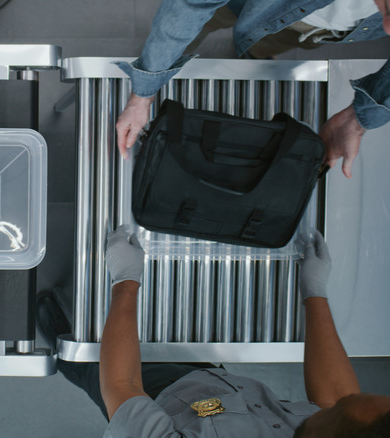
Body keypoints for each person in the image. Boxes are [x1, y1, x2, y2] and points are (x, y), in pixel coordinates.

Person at [77, 225, 390, 437]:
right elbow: (335, 400)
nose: (344, 399)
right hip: (213, 386)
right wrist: (315, 292)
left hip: (147, 389)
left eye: (347, 405)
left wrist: (125, 281)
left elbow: (123, 386)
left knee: (69, 338)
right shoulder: (335, 424)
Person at [115, 0, 390, 179]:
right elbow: (192, 5)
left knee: (267, 42)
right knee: (205, 20)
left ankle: (251, 51)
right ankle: (164, 57)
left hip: (317, 26)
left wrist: (358, 120)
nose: (388, 29)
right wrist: (144, 92)